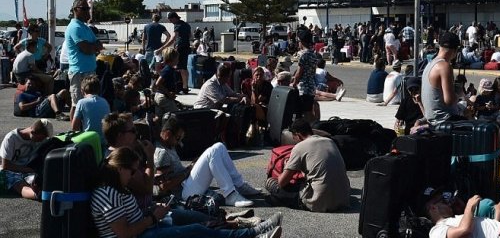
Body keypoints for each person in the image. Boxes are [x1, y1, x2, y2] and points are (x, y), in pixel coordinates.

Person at [93, 147, 282, 238]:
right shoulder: (108, 193)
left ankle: (249, 231)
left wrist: (153, 213)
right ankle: (252, 234)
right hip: (140, 234)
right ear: (119, 169)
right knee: (195, 230)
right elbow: (123, 233)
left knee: (195, 221)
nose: (134, 175)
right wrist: (152, 218)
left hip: (146, 227)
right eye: (132, 171)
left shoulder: (117, 187)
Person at [153, 117, 261, 207]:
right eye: (178, 138)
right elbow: (164, 186)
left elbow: (175, 173)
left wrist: (190, 167)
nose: (179, 142)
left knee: (219, 146)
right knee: (212, 153)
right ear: (167, 134)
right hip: (182, 194)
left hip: (186, 184)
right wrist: (187, 172)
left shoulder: (169, 147)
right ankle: (230, 195)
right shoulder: (162, 153)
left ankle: (239, 185)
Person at [264, 119, 350, 212]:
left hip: (319, 201)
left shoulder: (300, 146)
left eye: (294, 137)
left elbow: (282, 182)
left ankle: (279, 199)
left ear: (298, 135)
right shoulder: (330, 141)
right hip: (343, 198)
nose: (294, 141)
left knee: (272, 184)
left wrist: (287, 166)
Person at [66, 0, 104, 117]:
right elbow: (86, 49)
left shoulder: (85, 27)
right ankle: (74, 131)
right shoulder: (74, 27)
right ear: (75, 10)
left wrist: (93, 46)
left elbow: (99, 44)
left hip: (90, 71)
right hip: (79, 72)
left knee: (89, 103)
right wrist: (94, 47)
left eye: (88, 8)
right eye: (84, 9)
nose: (88, 11)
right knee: (77, 105)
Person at [0, 119, 54, 200]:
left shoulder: (41, 140)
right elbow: (5, 165)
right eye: (40, 138)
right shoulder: (11, 138)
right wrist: (28, 170)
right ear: (33, 132)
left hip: (29, 171)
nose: (41, 141)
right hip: (10, 170)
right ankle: (40, 195)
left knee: (39, 180)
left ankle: (43, 190)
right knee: (17, 181)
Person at [421, 32, 464, 125]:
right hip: (444, 120)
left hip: (432, 118)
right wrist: (459, 93)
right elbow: (449, 100)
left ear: (440, 46)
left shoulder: (430, 64)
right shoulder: (444, 66)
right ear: (455, 51)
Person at [72, 74, 111, 146]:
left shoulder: (81, 102)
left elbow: (75, 127)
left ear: (82, 90)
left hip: (89, 142)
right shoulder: (105, 101)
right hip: (104, 142)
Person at [157, 12, 192, 94]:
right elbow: (190, 36)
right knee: (183, 67)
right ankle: (185, 87)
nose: (170, 21)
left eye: (170, 19)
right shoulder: (186, 25)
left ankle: (176, 85)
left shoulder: (177, 25)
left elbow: (173, 38)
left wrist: (162, 48)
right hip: (186, 47)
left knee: (174, 66)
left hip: (179, 47)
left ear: (174, 18)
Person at [291, 28, 319, 122]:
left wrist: (294, 82)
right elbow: (313, 71)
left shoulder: (303, 55)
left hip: (303, 87)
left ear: (302, 41)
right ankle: (311, 127)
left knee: (303, 112)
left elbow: (299, 71)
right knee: (308, 110)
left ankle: (306, 130)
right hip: (311, 86)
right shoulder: (313, 54)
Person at [153, 48, 181, 119]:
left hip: (159, 96)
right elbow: (158, 83)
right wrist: (168, 93)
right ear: (172, 59)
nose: (178, 60)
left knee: (160, 118)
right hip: (163, 97)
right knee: (176, 115)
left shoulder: (169, 69)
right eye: (177, 58)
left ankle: (154, 127)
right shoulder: (167, 70)